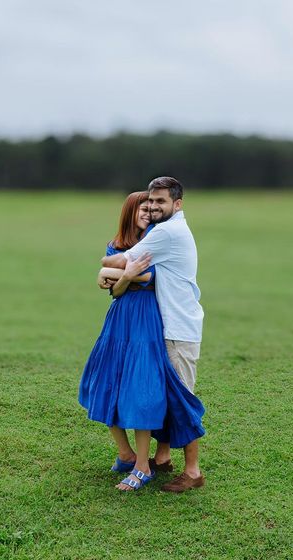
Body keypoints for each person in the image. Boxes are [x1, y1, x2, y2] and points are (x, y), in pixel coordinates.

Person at [79, 191, 205, 491]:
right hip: (119, 318)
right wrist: (120, 276)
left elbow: (147, 277)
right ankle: (127, 454)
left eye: (152, 207)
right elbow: (117, 290)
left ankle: (146, 465)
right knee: (105, 382)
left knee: (143, 389)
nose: (148, 213)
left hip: (147, 320)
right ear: (129, 211)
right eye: (142, 208)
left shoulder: (157, 238)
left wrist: (110, 272)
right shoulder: (118, 242)